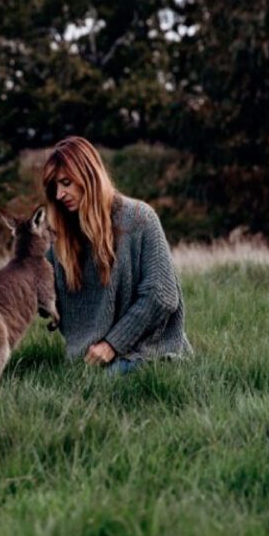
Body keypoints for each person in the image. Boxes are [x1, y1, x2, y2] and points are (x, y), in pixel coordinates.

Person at [42, 136, 192, 375]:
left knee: (108, 386)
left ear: (88, 176)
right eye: (54, 188)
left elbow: (161, 295)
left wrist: (113, 345)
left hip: (148, 350)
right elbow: (38, 284)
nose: (60, 194)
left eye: (66, 182)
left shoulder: (140, 218)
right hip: (88, 359)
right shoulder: (63, 237)